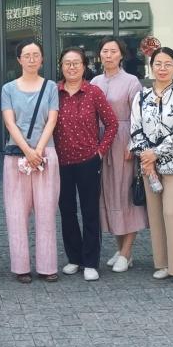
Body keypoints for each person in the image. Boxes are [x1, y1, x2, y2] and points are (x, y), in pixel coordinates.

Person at [129, 47, 173, 289]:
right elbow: (135, 130)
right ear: (151, 67)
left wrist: (155, 153)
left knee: (172, 213)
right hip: (149, 166)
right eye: (158, 64)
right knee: (156, 216)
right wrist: (146, 156)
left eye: (168, 64)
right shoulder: (141, 97)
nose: (162, 68)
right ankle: (163, 264)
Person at [55, 47, 118, 281]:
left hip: (88, 161)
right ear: (61, 66)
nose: (71, 67)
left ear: (84, 66)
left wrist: (100, 152)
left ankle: (91, 261)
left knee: (90, 211)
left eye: (76, 63)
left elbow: (112, 123)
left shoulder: (93, 92)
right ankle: (74, 258)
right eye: (67, 63)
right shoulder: (54, 92)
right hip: (61, 162)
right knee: (67, 211)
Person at [1, 39, 60, 283]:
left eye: (36, 54)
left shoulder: (51, 87)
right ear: (19, 60)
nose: (32, 59)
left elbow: (52, 120)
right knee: (16, 214)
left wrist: (38, 151)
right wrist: (28, 151)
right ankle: (21, 267)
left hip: (46, 154)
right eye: (27, 55)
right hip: (17, 156)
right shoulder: (8, 89)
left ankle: (47, 266)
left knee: (46, 212)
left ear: (42, 59)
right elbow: (9, 122)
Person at [90, 36, 147, 273]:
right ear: (99, 55)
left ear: (121, 55)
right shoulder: (94, 81)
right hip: (100, 141)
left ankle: (126, 251)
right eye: (105, 51)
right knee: (109, 195)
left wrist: (133, 145)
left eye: (113, 51)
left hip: (124, 139)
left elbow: (139, 116)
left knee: (125, 194)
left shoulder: (131, 81)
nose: (109, 55)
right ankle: (121, 249)